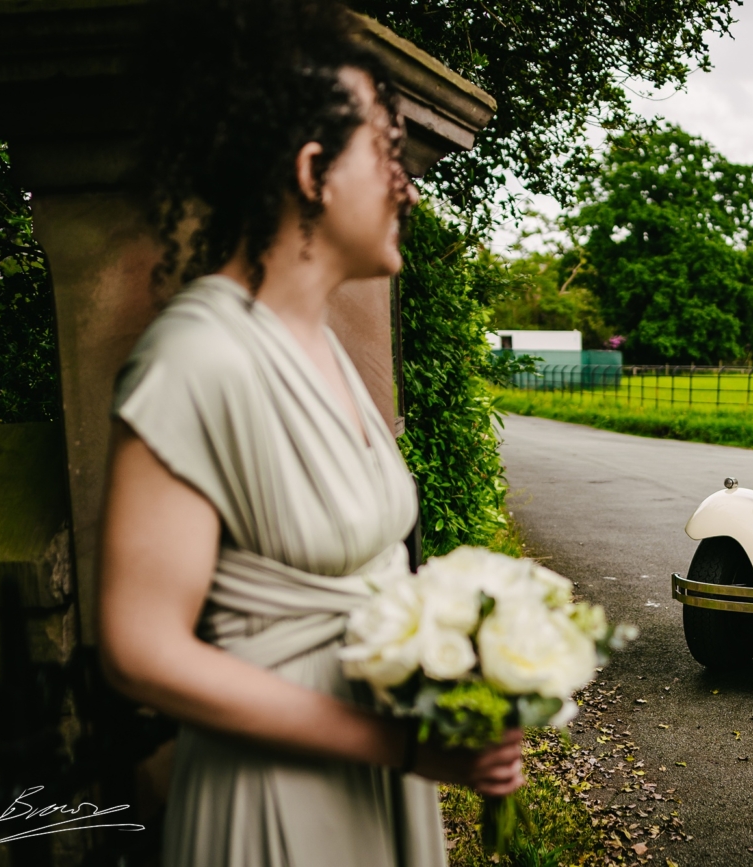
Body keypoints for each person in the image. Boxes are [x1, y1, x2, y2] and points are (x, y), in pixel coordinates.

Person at [98, 4, 522, 865]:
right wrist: (401, 746)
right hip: (278, 804)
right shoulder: (197, 358)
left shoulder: (320, 343)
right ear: (313, 170)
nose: (408, 185)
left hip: (376, 783)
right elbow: (141, 649)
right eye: (387, 156)